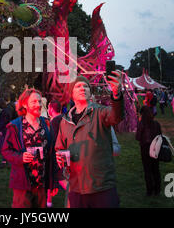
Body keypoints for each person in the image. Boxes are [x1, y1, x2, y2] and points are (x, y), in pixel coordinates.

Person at [55, 72, 124, 208]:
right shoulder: (64, 121)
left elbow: (116, 116)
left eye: (86, 86)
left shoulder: (100, 112)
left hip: (101, 186)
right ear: (71, 94)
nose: (83, 88)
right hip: (76, 187)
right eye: (78, 86)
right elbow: (59, 148)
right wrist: (59, 157)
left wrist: (116, 95)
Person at [1, 88, 55, 208]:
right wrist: (20, 157)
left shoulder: (46, 124)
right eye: (34, 102)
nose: (38, 105)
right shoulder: (15, 126)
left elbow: (52, 150)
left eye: (40, 102)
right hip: (23, 183)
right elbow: (5, 150)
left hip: (41, 183)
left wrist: (52, 180)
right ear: (25, 104)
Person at [136, 106, 162, 196]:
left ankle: (149, 190)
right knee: (156, 169)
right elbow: (160, 136)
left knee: (147, 170)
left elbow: (137, 137)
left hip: (145, 148)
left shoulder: (142, 124)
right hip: (155, 148)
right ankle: (157, 190)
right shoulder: (156, 124)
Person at [46, 99, 66, 208]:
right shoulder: (64, 118)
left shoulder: (54, 122)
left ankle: (76, 196)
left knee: (61, 178)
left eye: (48, 107)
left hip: (57, 155)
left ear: (51, 109)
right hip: (65, 152)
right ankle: (48, 201)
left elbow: (52, 140)